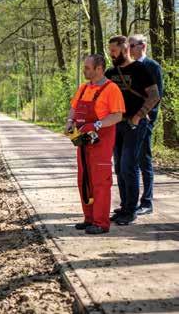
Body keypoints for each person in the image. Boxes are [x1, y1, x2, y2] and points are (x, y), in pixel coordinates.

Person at [65, 54, 125, 234]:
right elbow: (74, 108)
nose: (84, 71)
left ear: (100, 69)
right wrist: (69, 122)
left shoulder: (111, 89)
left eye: (88, 68)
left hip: (101, 141)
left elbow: (117, 115)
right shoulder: (83, 88)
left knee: (100, 182)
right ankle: (89, 218)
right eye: (84, 67)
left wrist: (97, 124)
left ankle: (101, 222)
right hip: (83, 140)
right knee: (84, 180)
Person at [105, 36, 161, 225]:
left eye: (114, 50)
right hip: (116, 124)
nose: (111, 54)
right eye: (110, 50)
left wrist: (138, 116)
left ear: (125, 48)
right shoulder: (110, 73)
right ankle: (124, 206)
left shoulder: (140, 69)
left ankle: (131, 210)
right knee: (119, 167)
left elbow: (154, 96)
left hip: (135, 124)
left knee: (129, 165)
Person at [127, 34, 163, 215]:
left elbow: (157, 96)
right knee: (128, 162)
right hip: (128, 121)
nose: (129, 49)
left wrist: (145, 117)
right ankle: (130, 202)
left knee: (144, 161)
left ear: (143, 46)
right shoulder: (130, 67)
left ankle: (147, 202)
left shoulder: (152, 66)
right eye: (128, 45)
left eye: (132, 45)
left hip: (145, 121)